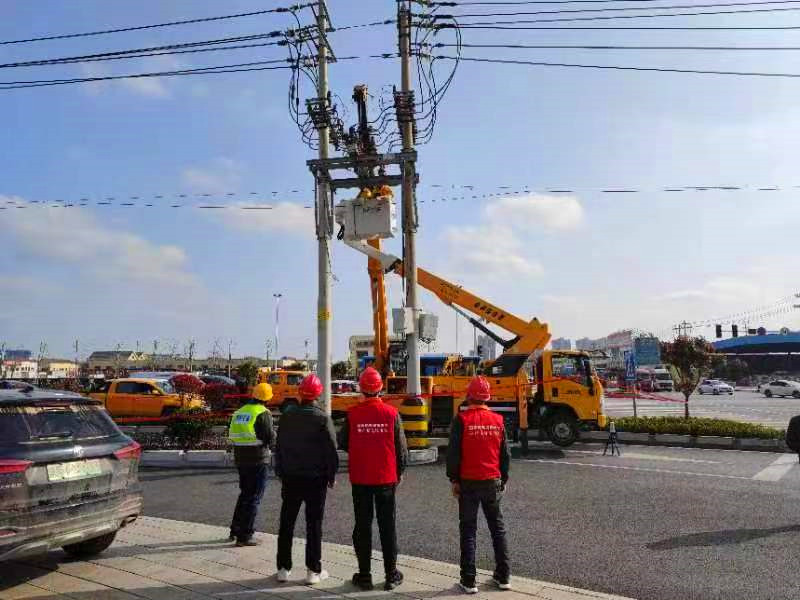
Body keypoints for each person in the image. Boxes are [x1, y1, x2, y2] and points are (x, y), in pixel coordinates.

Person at [339, 367, 408, 591]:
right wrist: (399, 472)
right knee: (387, 526)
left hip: (361, 478)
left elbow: (343, 442)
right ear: (380, 388)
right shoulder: (392, 414)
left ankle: (364, 575)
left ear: (361, 388)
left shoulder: (352, 414)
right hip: (386, 478)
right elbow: (401, 449)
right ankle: (391, 575)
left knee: (363, 526)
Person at [446, 376, 511, 594]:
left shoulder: (461, 420)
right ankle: (503, 576)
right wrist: (504, 479)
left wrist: (454, 479)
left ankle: (468, 580)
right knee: (497, 529)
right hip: (492, 481)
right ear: (487, 397)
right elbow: (505, 454)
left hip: (468, 482)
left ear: (469, 396)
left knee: (468, 530)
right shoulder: (498, 420)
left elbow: (453, 454)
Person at [274, 374, 339, 585]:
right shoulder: (322, 418)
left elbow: (279, 447)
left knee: (287, 522)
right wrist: (331, 475)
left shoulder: (287, 416)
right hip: (316, 479)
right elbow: (331, 449)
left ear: (300, 392)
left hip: (291, 477)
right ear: (318, 394)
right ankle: (313, 571)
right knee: (314, 523)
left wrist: (280, 471)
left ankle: (283, 568)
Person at [228, 382, 275, 546]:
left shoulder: (240, 411)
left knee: (245, 494)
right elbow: (268, 436)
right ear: (267, 398)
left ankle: (235, 529)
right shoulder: (262, 412)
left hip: (240, 458)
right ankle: (245, 535)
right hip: (257, 458)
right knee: (254, 497)